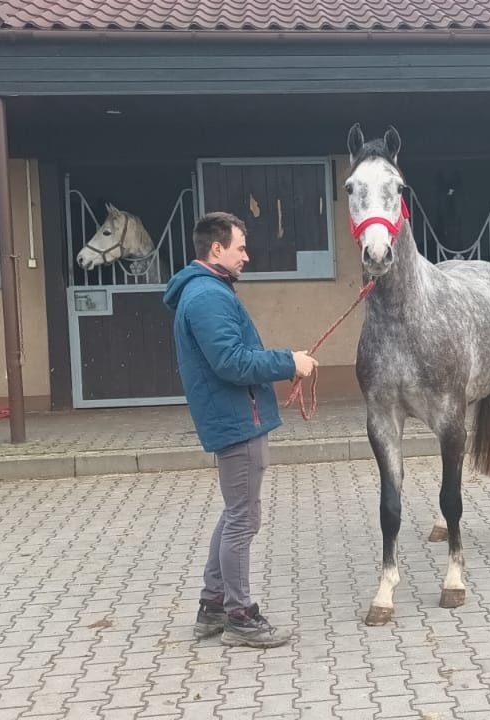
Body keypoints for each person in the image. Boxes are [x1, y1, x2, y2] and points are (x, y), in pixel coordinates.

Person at [163, 211, 318, 648]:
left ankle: (212, 606)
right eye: (240, 247)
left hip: (234, 418)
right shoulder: (209, 297)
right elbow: (231, 362)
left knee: (235, 514)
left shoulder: (207, 290)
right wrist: (289, 362)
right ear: (216, 249)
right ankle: (240, 617)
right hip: (236, 422)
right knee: (243, 520)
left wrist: (287, 360)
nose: (246, 256)